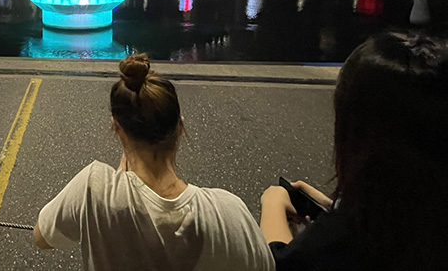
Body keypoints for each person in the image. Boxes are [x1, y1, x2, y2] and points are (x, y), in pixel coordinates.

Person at [34, 53, 274, 271]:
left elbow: (42, 237)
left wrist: (116, 186)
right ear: (180, 128)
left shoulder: (94, 189)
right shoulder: (229, 214)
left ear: (116, 127)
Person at [260, 31, 448, 271]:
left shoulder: (344, 241)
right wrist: (333, 208)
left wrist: (273, 205)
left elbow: (277, 262)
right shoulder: (422, 224)